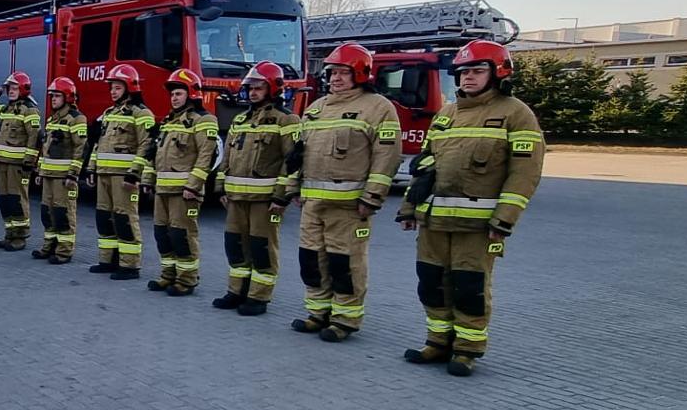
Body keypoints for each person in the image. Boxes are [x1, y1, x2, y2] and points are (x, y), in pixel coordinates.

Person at [397, 40, 545, 376]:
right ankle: (437, 342)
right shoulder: (446, 114)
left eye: (477, 70)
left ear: (498, 73)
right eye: (463, 72)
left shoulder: (516, 113)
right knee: (431, 283)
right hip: (434, 222)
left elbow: (524, 173)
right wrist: (409, 207)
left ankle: (466, 350)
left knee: (469, 287)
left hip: (477, 226)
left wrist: (504, 220)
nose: (468, 77)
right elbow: (425, 167)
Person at [289, 44, 402, 342]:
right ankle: (318, 313)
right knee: (312, 260)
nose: (335, 78)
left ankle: (344, 320)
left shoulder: (378, 107)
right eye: (332, 72)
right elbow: (299, 152)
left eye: (343, 72)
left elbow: (386, 156)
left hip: (350, 206)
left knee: (345, 263)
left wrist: (372, 197)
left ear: (361, 74)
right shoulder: (316, 108)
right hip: (313, 203)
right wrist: (293, 187)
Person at [211, 62, 298, 316]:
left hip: (265, 200)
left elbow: (292, 161)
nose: (253, 93)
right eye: (250, 88)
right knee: (235, 245)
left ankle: (258, 297)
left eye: (259, 88)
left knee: (262, 248)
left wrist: (281, 197)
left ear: (273, 88)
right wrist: (220, 188)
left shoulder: (287, 120)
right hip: (236, 198)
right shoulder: (240, 119)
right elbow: (227, 157)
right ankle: (236, 291)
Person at [142, 69, 219, 296]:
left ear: (191, 94)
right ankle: (168, 275)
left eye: (179, 93)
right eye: (172, 94)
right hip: (162, 189)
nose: (174, 98)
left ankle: (186, 280)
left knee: (182, 235)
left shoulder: (204, 120)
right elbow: (155, 154)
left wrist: (193, 186)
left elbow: (206, 156)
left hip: (184, 192)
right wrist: (148, 179)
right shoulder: (168, 121)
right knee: (162, 234)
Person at [86, 63, 154, 281]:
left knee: (125, 219)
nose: (113, 92)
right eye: (112, 88)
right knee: (104, 218)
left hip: (124, 178)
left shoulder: (142, 114)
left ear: (130, 87)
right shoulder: (109, 113)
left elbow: (147, 146)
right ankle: (108, 261)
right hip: (104, 174)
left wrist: (135, 174)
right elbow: (99, 144)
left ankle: (130, 266)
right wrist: (91, 168)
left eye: (117, 87)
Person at [0, 71, 41, 251]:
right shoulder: (7, 108)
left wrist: (29, 162)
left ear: (23, 89)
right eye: (9, 88)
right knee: (4, 200)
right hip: (3, 162)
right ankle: (9, 234)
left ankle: (20, 237)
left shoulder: (30, 110)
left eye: (14, 88)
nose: (11, 91)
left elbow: (34, 138)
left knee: (17, 200)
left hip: (18, 165)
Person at [32, 77, 86, 264]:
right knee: (47, 213)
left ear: (68, 97)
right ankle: (49, 246)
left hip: (64, 178)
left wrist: (73, 174)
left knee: (63, 214)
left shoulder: (76, 118)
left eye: (57, 96)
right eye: (52, 96)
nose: (53, 99)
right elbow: (45, 148)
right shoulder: (52, 119)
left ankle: (64, 251)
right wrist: (40, 171)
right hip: (48, 175)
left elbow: (80, 148)